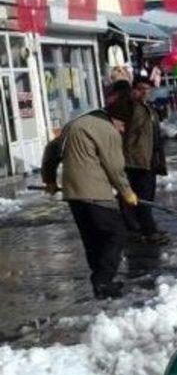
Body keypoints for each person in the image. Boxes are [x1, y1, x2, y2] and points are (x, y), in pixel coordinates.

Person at [41, 108, 137, 299]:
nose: (124, 130)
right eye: (124, 125)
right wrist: (127, 192)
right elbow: (115, 167)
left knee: (91, 238)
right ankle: (102, 279)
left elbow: (51, 152)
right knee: (115, 233)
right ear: (115, 119)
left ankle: (101, 281)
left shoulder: (73, 125)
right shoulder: (107, 130)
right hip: (96, 193)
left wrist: (50, 180)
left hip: (73, 194)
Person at [111, 77, 169, 244]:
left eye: (147, 89)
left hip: (149, 160)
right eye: (141, 89)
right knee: (136, 199)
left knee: (146, 198)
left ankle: (144, 227)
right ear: (133, 90)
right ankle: (143, 231)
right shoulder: (129, 107)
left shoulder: (148, 109)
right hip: (132, 161)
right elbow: (119, 111)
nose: (145, 92)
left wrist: (159, 159)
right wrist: (128, 96)